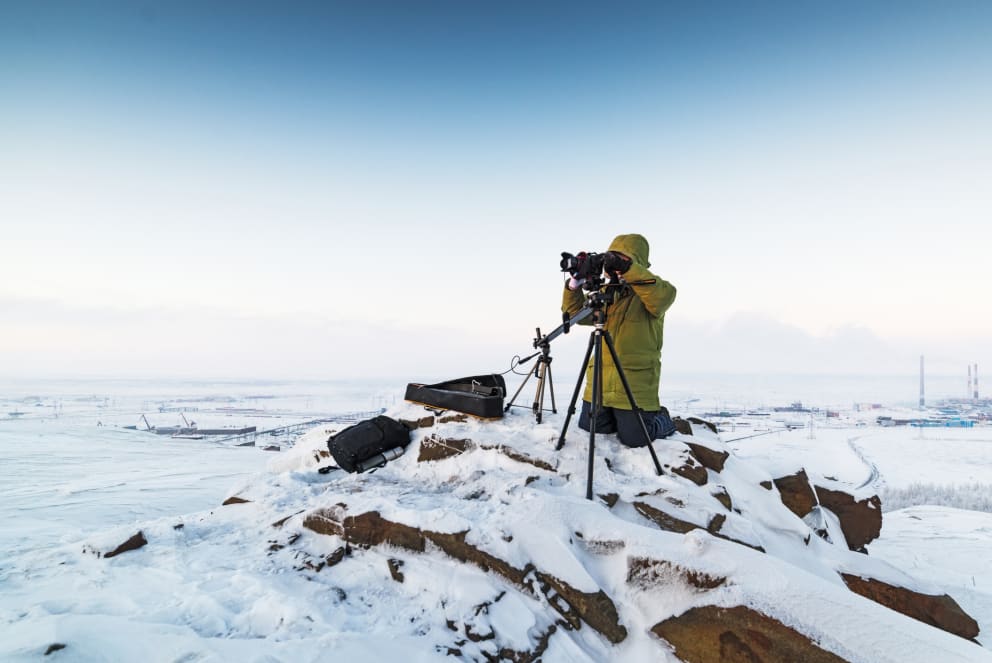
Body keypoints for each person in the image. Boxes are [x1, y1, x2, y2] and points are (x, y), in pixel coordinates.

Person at [561, 233, 677, 447]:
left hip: (633, 384)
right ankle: (619, 419)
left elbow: (662, 298)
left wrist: (628, 269)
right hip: (599, 383)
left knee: (635, 439)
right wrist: (574, 285)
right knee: (591, 429)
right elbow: (575, 314)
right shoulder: (606, 294)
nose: (614, 269)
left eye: (621, 261)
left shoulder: (653, 293)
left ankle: (663, 419)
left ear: (636, 262)